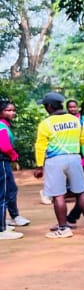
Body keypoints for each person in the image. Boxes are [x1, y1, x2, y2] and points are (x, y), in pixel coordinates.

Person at [33, 92, 84, 238]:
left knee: (58, 195)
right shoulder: (75, 120)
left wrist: (40, 166)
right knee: (80, 192)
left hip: (55, 160)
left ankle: (63, 228)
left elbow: (41, 146)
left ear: (49, 107)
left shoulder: (45, 124)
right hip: (74, 158)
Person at [0, 100, 23, 239]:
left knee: (8, 190)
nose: (12, 112)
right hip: (2, 160)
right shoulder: (1, 126)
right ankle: (1, 229)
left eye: (13, 110)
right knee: (3, 194)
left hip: (3, 160)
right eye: (8, 110)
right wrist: (14, 155)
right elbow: (4, 146)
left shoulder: (5, 125)